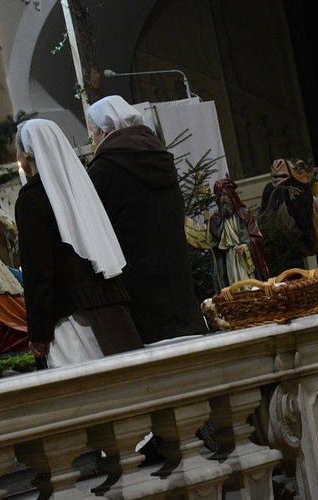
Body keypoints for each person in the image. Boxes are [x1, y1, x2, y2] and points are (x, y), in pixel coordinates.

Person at [14, 118, 144, 368]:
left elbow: (38, 272)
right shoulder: (80, 186)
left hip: (68, 321)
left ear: (27, 152)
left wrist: (38, 332)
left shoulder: (31, 199)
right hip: (109, 310)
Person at [86, 95, 207, 345]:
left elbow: (97, 230)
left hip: (140, 289)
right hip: (178, 281)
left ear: (102, 131)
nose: (93, 143)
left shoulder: (104, 168)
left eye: (93, 135)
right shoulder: (162, 158)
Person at [209, 178, 270, 292]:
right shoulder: (217, 219)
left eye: (225, 195)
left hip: (244, 258)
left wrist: (245, 247)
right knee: (234, 288)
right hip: (230, 258)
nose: (223, 199)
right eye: (221, 196)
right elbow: (213, 240)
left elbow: (257, 237)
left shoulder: (244, 214)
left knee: (248, 286)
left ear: (231, 196)